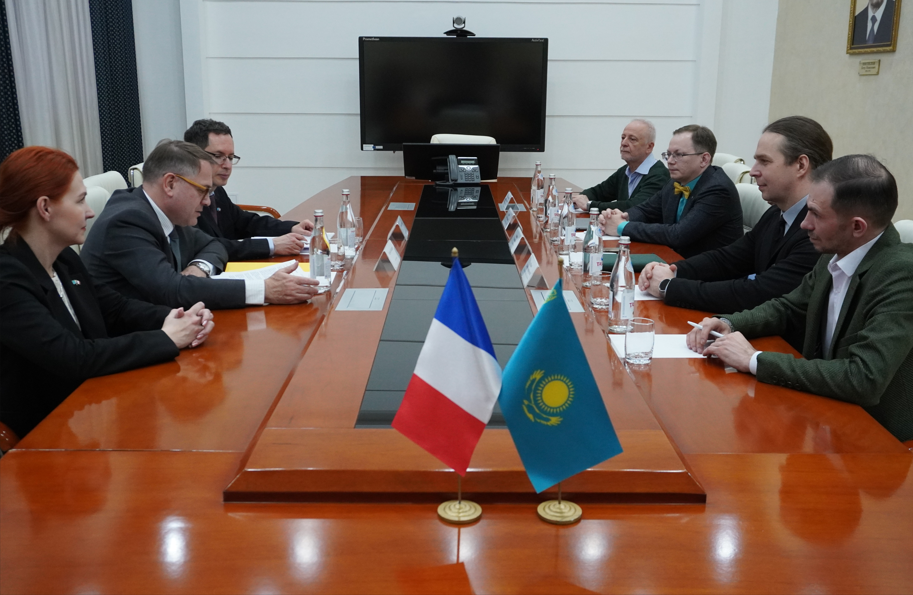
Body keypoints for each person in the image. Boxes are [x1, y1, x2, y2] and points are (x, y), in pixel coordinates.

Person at [687, 154, 913, 442]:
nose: (805, 224)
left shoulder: (902, 275)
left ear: (857, 227)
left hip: (877, 439)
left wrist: (754, 360)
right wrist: (729, 323)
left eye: (816, 214)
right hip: (822, 414)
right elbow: (788, 307)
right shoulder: (836, 250)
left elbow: (864, 378)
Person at [0, 146, 215, 438]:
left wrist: (179, 317)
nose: (90, 212)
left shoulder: (64, 259)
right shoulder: (7, 278)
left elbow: (116, 309)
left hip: (91, 408)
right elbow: (73, 357)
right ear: (45, 208)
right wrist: (167, 337)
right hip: (44, 433)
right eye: (80, 201)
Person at [638, 116, 831, 349]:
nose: (754, 171)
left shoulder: (818, 231)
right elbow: (729, 258)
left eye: (764, 161)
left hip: (785, 349)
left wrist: (670, 287)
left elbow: (759, 293)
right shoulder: (777, 213)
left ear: (801, 165)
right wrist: (673, 270)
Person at [81, 140, 319, 310]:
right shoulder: (128, 221)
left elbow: (214, 245)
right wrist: (265, 290)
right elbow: (172, 291)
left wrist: (199, 268)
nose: (207, 201)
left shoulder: (166, 212)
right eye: (202, 190)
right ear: (170, 184)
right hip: (130, 341)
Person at [598, 125, 742, 258]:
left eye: (679, 155)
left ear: (704, 159)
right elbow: (646, 210)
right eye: (668, 154)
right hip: (677, 260)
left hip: (709, 272)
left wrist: (622, 226)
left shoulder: (718, 190)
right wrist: (622, 217)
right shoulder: (676, 182)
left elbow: (678, 234)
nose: (670, 161)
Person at [184, 119, 314, 260]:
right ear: (195, 156)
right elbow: (207, 245)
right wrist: (271, 245)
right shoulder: (185, 197)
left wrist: (291, 228)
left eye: (230, 157)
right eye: (218, 156)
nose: (227, 165)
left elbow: (245, 222)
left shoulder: (217, 190)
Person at [572, 119, 670, 213]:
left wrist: (589, 205)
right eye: (623, 138)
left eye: (632, 139)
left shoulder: (659, 175)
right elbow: (599, 192)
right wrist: (578, 199)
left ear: (649, 147)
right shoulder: (625, 171)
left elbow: (634, 207)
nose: (624, 143)